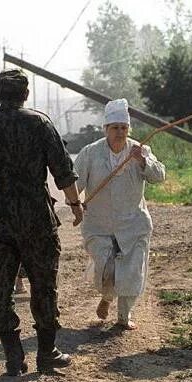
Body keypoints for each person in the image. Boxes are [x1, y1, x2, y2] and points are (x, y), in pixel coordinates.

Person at [0, 69, 84, 376]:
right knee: (43, 284)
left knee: (0, 287)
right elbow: (62, 170)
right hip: (36, 220)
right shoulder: (39, 123)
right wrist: (75, 203)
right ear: (25, 94)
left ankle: (13, 355)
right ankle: (46, 352)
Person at [74, 98, 166, 329]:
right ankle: (106, 297)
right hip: (99, 224)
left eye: (123, 128)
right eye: (115, 128)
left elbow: (159, 176)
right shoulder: (90, 153)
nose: (119, 132)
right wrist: (75, 202)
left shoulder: (140, 149)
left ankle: (125, 316)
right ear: (106, 129)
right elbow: (75, 182)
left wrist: (143, 161)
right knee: (107, 268)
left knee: (132, 272)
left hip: (133, 223)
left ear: (128, 129)